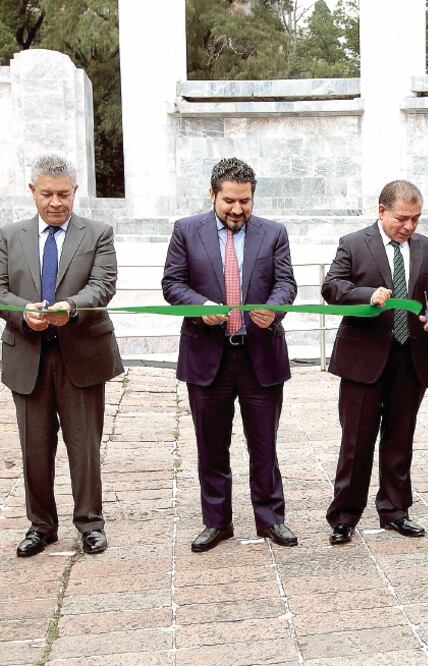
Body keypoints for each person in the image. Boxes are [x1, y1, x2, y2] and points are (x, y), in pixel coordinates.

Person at [162, 157, 299, 552]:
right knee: (211, 446)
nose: (237, 210)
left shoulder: (273, 233)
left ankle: (271, 519)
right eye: (229, 202)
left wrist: (274, 308)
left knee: (264, 446)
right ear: (213, 195)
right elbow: (172, 284)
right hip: (207, 359)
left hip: (260, 356)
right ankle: (216, 522)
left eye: (245, 201)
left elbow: (286, 282)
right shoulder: (186, 231)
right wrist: (198, 305)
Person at [0, 154, 123, 557]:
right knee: (34, 447)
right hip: (28, 355)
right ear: (32, 192)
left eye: (65, 194)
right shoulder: (8, 236)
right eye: (48, 194)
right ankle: (41, 526)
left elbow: (102, 286)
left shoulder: (98, 233)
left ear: (75, 192)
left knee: (84, 444)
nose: (57, 202)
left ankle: (90, 523)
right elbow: (1, 291)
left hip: (82, 352)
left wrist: (68, 307)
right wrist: (24, 313)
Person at [323, 180, 428, 544]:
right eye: (402, 219)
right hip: (364, 359)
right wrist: (369, 295)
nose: (410, 227)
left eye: (416, 219)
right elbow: (332, 288)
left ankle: (396, 511)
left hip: (411, 358)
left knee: (400, 439)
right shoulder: (353, 244)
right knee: (356, 442)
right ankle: (344, 516)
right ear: (381, 211)